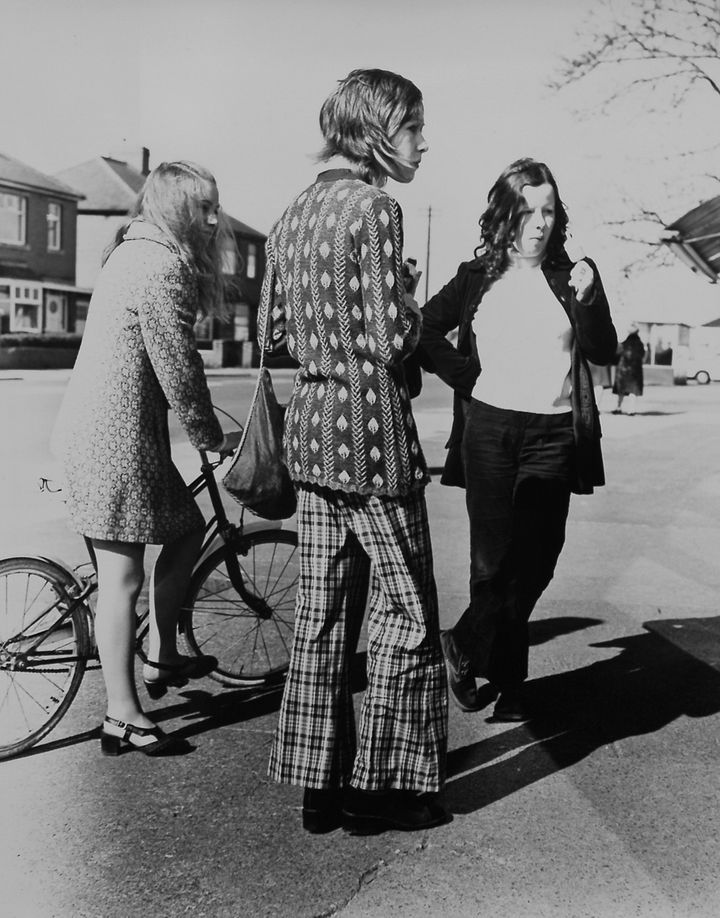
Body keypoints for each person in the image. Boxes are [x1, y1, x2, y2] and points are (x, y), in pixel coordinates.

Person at [260, 68, 448, 835]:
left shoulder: (293, 212)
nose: (423, 142)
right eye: (413, 128)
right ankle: (387, 785)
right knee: (405, 612)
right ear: (375, 132)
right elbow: (390, 336)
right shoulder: (376, 208)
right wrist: (403, 293)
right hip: (369, 434)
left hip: (309, 433)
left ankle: (317, 784)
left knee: (322, 614)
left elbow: (273, 329)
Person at [52, 161, 242, 755]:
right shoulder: (160, 265)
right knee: (122, 579)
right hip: (114, 442)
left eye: (216, 205)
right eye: (203, 207)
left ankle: (160, 654)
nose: (214, 218)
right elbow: (178, 367)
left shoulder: (132, 251)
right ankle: (122, 715)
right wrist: (210, 434)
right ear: (174, 207)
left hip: (110, 435)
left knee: (186, 532)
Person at [417, 157, 617, 721]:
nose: (539, 222)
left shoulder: (569, 275)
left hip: (553, 432)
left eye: (549, 211)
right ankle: (509, 684)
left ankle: (463, 640)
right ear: (505, 215)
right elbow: (425, 329)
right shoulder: (476, 277)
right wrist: (464, 376)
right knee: (491, 562)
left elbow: (604, 352)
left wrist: (591, 296)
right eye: (527, 210)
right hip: (490, 430)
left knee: (537, 557)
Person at [612, 323, 645, 415]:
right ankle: (632, 410)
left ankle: (618, 407)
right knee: (633, 391)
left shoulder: (624, 344)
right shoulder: (640, 345)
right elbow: (643, 356)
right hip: (635, 371)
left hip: (622, 370)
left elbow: (616, 355)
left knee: (621, 390)